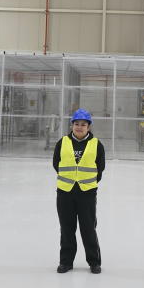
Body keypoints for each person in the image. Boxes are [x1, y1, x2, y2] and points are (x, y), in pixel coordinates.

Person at [52, 109, 105, 274]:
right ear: (72, 125)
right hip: (65, 192)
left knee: (88, 228)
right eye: (76, 124)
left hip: (87, 193)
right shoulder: (62, 142)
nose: (79, 127)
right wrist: (69, 179)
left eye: (83, 124)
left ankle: (94, 262)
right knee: (67, 228)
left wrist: (86, 182)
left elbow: (100, 167)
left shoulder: (96, 144)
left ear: (89, 126)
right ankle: (66, 262)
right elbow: (56, 164)